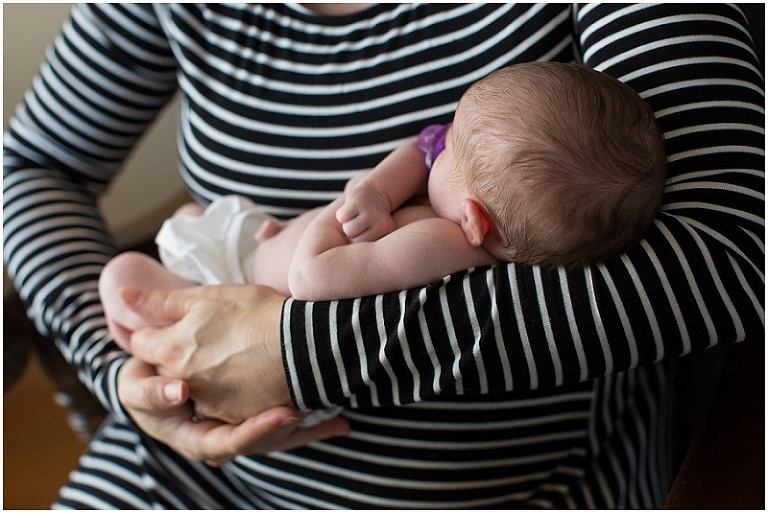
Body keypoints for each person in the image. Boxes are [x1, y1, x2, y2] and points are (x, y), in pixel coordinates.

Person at [3, 4, 762, 509]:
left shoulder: (446, 236)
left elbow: (731, 256)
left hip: (509, 490)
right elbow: (36, 166)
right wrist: (124, 371)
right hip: (196, 469)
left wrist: (293, 356)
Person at [99, 61, 666, 347]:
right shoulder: (460, 205)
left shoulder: (437, 242)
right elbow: (418, 150)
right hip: (253, 240)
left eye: (452, 147)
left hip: (230, 291)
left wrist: (338, 210)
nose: (437, 141)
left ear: (474, 220)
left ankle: (144, 342)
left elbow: (312, 278)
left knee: (123, 275)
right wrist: (374, 190)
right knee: (187, 219)